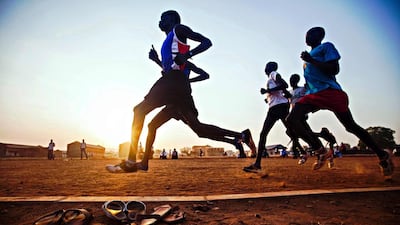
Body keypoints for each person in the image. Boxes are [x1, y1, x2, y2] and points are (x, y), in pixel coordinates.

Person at [106, 10, 256, 173]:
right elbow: (170, 67)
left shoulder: (178, 30)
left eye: (163, 18)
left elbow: (207, 42)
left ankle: (130, 160)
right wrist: (157, 60)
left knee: (139, 110)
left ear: (172, 20)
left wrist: (188, 55)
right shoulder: (168, 43)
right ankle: (241, 136)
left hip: (174, 83)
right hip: (176, 86)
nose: (160, 21)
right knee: (194, 129)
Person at [286, 27, 394, 178]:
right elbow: (313, 78)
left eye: (312, 33)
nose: (307, 35)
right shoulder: (307, 59)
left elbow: (334, 69)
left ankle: (382, 155)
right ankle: (320, 151)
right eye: (306, 33)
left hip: (331, 92)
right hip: (314, 95)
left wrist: (312, 61)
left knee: (351, 127)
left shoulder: (326, 47)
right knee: (291, 119)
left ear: (320, 36)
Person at [243, 61, 292, 173]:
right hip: (278, 107)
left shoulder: (273, 74)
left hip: (277, 108)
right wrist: (269, 96)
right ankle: (318, 146)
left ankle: (257, 164)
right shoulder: (272, 78)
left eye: (266, 66)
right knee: (293, 131)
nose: (265, 68)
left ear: (269, 68)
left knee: (263, 134)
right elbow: (283, 90)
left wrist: (268, 91)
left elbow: (285, 85)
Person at [287, 74, 307, 160]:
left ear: (297, 81)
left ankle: (299, 151)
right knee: (291, 132)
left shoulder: (302, 89)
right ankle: (299, 151)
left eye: (293, 80)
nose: (291, 82)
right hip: (293, 115)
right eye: (290, 80)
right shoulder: (290, 92)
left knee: (298, 133)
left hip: (301, 114)